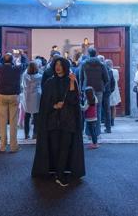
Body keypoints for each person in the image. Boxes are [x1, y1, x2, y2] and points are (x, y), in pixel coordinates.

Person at [32, 57, 85, 186]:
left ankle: (60, 174)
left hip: (68, 121)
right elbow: (44, 104)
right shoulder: (50, 82)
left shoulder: (71, 81)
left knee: (65, 148)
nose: (58, 67)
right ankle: (56, 172)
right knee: (55, 148)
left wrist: (73, 83)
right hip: (53, 121)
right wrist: (54, 106)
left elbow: (74, 101)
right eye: (56, 64)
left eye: (61, 65)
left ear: (65, 67)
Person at [0, 52, 27, 152]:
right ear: (12, 61)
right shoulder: (17, 69)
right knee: (13, 122)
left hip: (2, 95)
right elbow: (25, 63)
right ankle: (13, 146)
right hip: (14, 95)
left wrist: (5, 57)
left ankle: (2, 146)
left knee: (2, 122)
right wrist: (22, 54)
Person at [79, 47, 109, 134]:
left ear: (88, 54)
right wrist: (102, 86)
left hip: (87, 90)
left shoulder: (84, 64)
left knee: (87, 110)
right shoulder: (102, 64)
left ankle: (88, 132)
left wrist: (82, 89)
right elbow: (107, 79)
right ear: (95, 54)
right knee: (98, 111)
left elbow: (81, 78)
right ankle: (97, 132)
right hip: (99, 90)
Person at [22, 61, 42, 139]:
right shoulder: (40, 76)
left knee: (27, 116)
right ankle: (35, 133)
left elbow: (22, 84)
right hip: (36, 97)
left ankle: (26, 134)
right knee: (36, 117)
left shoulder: (25, 76)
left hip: (27, 97)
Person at [98, 54, 113, 133]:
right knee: (107, 110)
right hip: (106, 92)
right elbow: (112, 83)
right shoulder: (109, 69)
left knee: (98, 109)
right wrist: (110, 91)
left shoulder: (98, 69)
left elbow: (111, 82)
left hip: (100, 91)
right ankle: (108, 128)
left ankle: (99, 128)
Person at [106, 59, 121, 127]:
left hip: (109, 90)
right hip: (115, 90)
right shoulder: (116, 71)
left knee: (108, 106)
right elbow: (117, 79)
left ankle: (108, 121)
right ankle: (112, 121)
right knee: (113, 106)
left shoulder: (107, 71)